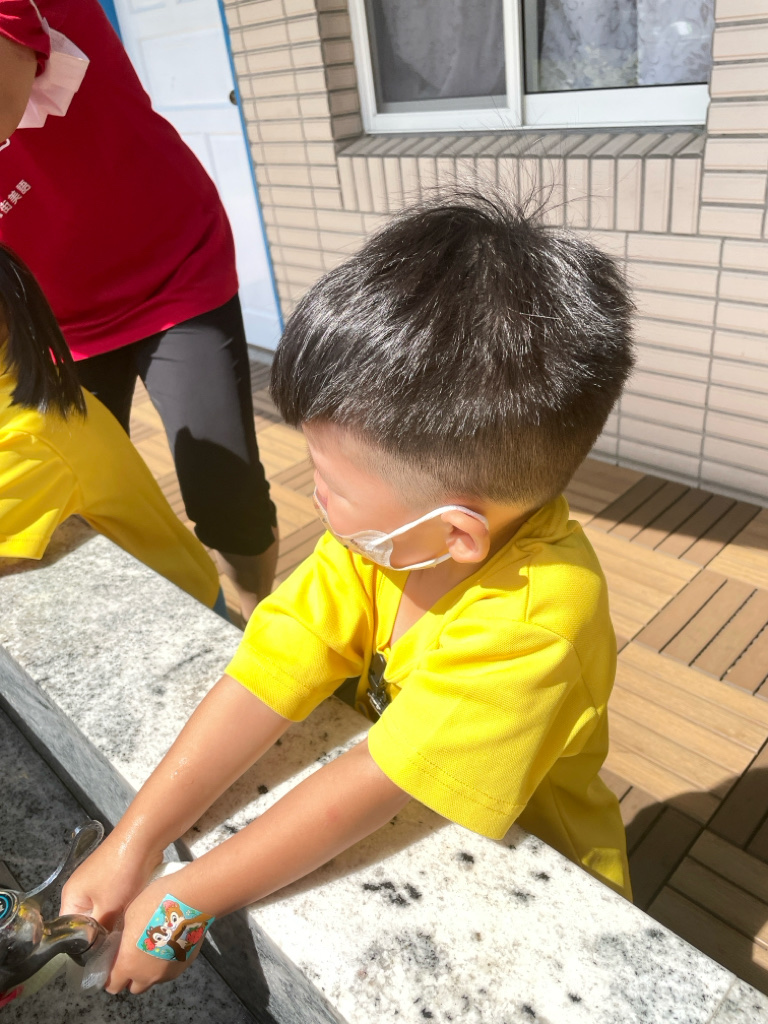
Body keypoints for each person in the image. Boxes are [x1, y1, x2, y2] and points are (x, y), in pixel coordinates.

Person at [60, 191, 636, 995]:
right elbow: (273, 664)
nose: (316, 497)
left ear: (456, 534)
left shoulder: (536, 622)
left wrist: (184, 901)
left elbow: (377, 779)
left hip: (541, 870)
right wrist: (136, 838)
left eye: (331, 483)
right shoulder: (387, 539)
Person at [0, 0, 278, 618]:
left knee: (227, 494)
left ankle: (258, 624)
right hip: (51, 317)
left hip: (172, 266)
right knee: (88, 504)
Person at [0, 244, 223, 612]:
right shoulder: (29, 383)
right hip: (171, 585)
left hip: (177, 610)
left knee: (234, 514)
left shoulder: (27, 437)